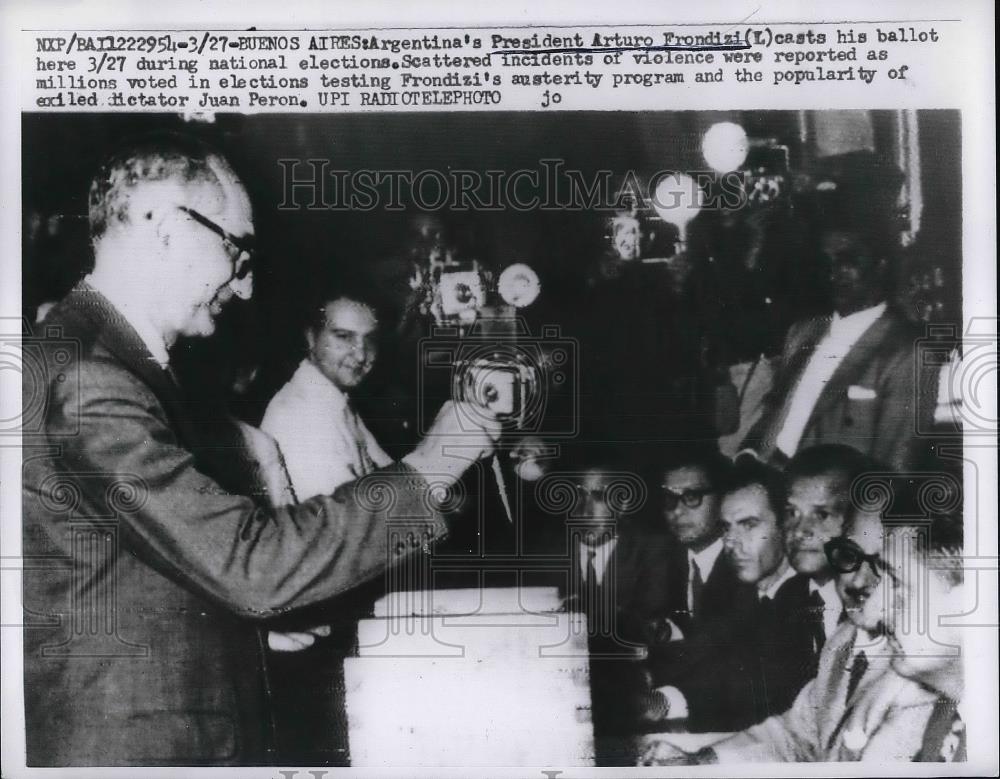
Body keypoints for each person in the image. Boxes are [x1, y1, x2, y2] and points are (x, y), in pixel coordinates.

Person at [21, 134, 498, 767]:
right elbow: (251, 567)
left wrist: (250, 627)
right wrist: (433, 462)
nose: (243, 288)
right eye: (235, 250)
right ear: (164, 226)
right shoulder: (93, 379)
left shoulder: (100, 362)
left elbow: (155, 572)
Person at [641, 489, 963, 763]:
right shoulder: (844, 640)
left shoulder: (918, 675)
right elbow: (795, 735)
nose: (859, 579)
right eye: (848, 555)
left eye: (887, 572)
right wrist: (702, 762)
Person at [740, 180, 933, 470]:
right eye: (826, 261)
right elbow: (773, 415)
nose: (833, 273)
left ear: (880, 265)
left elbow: (894, 465)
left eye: (847, 260)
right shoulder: (803, 331)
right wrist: (747, 459)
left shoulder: (908, 351)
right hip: (768, 481)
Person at [641, 449, 760, 731]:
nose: (677, 511)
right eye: (668, 498)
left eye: (691, 497)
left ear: (723, 499)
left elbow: (726, 657)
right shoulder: (667, 561)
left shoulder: (748, 566)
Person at [261, 287, 391, 502]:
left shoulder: (334, 399)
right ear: (311, 338)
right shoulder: (300, 418)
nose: (360, 355)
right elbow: (348, 525)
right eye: (344, 337)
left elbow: (388, 471)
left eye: (369, 340)